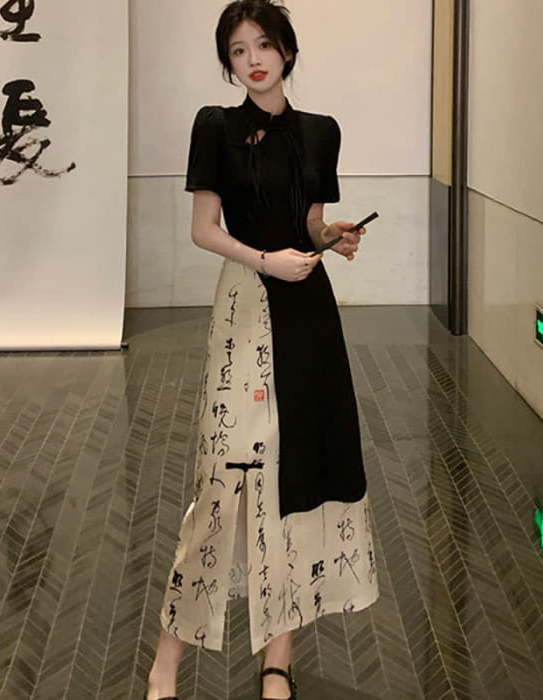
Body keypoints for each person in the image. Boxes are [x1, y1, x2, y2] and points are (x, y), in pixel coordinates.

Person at [145, 2, 379, 699]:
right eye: (239, 49)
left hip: (308, 311)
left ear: (287, 52)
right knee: (224, 475)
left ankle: (278, 659)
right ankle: (166, 661)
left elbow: (307, 221)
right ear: (229, 61)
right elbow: (203, 228)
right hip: (247, 303)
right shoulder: (215, 126)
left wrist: (332, 236)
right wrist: (263, 260)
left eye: (264, 45)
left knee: (297, 469)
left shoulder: (320, 131)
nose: (253, 59)